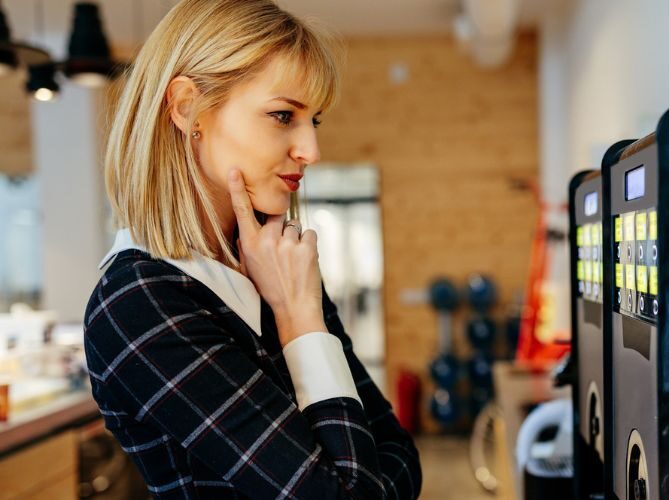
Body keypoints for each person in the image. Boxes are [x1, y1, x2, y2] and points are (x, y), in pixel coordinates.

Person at [83, 0, 422, 497]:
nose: (311, 151)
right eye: (283, 115)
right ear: (187, 108)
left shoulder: (276, 266)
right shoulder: (138, 302)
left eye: (314, 121)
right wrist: (300, 319)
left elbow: (399, 455)